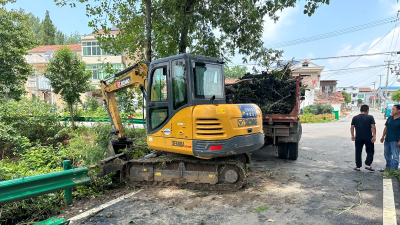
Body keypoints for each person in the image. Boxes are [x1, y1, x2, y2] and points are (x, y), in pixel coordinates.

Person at [351, 105, 376, 171]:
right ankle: (368, 165)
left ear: (360, 110)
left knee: (358, 151)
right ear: (367, 110)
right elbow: (373, 127)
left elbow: (352, 127)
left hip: (358, 137)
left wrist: (353, 135)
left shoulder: (355, 118)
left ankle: (358, 166)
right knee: (370, 151)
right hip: (368, 137)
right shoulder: (370, 117)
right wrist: (374, 136)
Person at [380, 104, 400, 172]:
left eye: (394, 109)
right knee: (387, 155)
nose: (392, 110)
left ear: (398, 110)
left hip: (396, 140)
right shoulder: (390, 118)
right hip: (387, 139)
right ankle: (388, 167)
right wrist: (383, 137)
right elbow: (386, 127)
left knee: (395, 156)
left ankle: (394, 170)